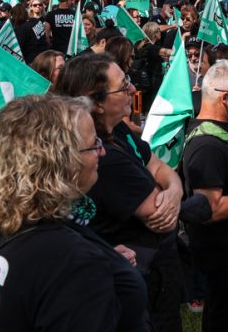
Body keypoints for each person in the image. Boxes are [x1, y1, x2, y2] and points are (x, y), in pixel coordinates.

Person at [0, 94, 149, 331]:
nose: (102, 152)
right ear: (60, 161)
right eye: (93, 145)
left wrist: (105, 257)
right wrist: (88, 265)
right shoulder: (73, 261)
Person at [53, 53, 185, 331]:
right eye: (123, 86)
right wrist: (171, 191)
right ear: (97, 102)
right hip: (141, 279)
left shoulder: (120, 130)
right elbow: (160, 215)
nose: (133, 90)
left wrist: (174, 189)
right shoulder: (104, 157)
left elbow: (159, 165)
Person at [182, 60, 228, 331]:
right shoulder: (207, 145)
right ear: (224, 97)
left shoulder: (220, 128)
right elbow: (209, 208)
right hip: (218, 250)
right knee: (221, 317)